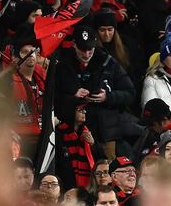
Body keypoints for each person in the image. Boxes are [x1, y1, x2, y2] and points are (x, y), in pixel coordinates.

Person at [55, 24, 135, 159]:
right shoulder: (62, 64)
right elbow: (53, 97)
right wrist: (73, 96)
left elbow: (130, 93)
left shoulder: (108, 62)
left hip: (105, 134)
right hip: (73, 132)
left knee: (106, 172)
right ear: (74, 45)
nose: (86, 54)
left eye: (90, 49)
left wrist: (108, 97)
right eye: (82, 49)